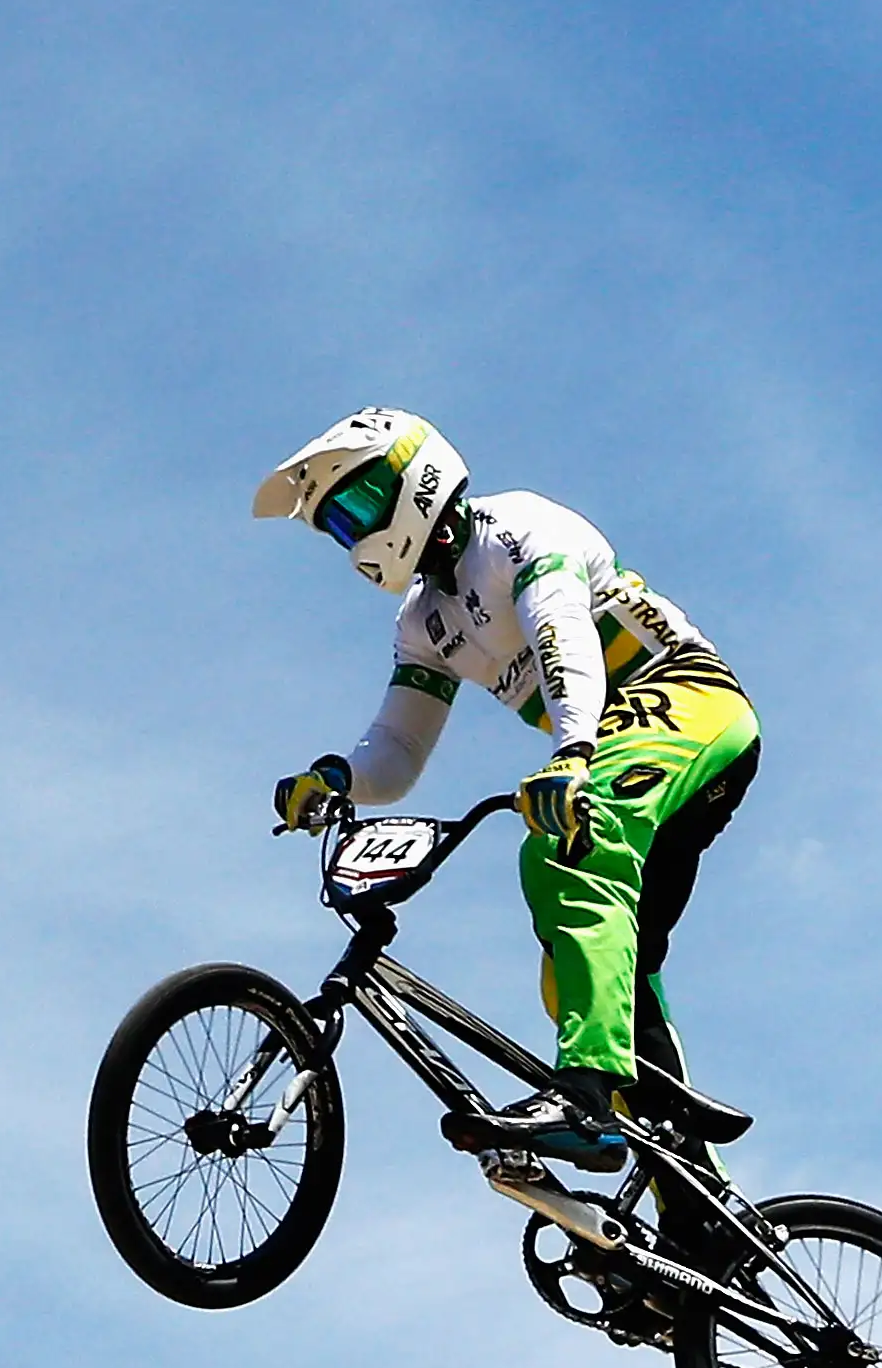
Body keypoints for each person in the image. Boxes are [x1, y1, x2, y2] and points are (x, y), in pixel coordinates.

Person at [252, 407, 760, 1172]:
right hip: (608, 741)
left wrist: (574, 751)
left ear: (412, 480)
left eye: (357, 509)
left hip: (683, 698)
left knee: (564, 853)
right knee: (580, 970)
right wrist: (336, 777)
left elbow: (562, 632)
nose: (355, 538)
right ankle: (689, 1208)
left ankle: (585, 1095)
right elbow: (399, 743)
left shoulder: (516, 531)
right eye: (338, 528)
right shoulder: (425, 620)